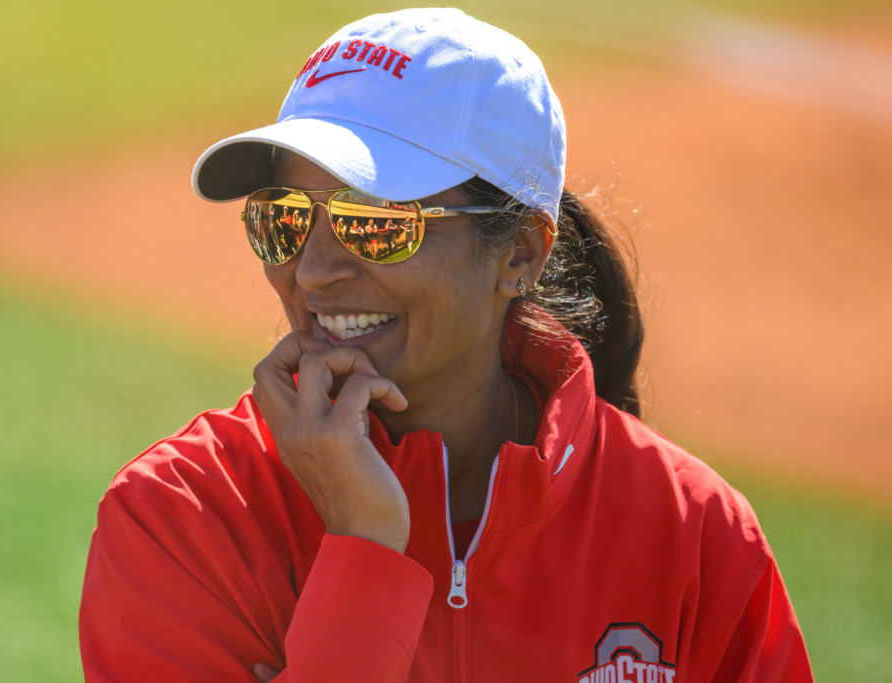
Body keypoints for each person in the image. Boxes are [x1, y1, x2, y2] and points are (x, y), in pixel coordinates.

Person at [79, 8, 812, 683]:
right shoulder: (181, 521)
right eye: (286, 219)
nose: (311, 270)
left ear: (521, 251)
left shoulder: (696, 537)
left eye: (376, 222)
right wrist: (364, 545)